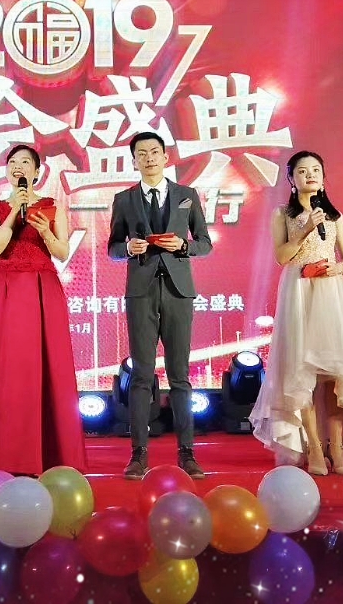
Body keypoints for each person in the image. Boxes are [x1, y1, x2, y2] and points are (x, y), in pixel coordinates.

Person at [250, 151, 343, 476]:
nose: (310, 175)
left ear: (324, 177)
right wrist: (304, 230)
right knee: (303, 374)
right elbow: (281, 257)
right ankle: (314, 448)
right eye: (302, 171)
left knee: (337, 375)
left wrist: (337, 268)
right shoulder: (282, 214)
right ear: (291, 179)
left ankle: (337, 449)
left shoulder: (335, 215)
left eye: (316, 169)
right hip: (300, 292)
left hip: (330, 293)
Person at [0, 144, 86, 477]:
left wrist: (44, 230)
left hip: (44, 291)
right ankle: (6, 454)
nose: (18, 167)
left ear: (37, 171)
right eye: (12, 162)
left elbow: (62, 252)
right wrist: (15, 211)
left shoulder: (52, 206)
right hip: (6, 292)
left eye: (25, 162)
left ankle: (50, 454)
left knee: (46, 367)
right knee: (9, 370)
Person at [107, 132, 213, 480]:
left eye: (155, 152)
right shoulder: (124, 199)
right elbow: (112, 247)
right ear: (134, 160)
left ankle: (187, 453)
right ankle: (138, 454)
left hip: (179, 291)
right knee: (141, 375)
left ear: (166, 157)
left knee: (180, 375)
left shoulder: (187, 195)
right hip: (141, 291)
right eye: (142, 153)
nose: (149, 158)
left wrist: (183, 246)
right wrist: (129, 248)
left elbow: (204, 243)